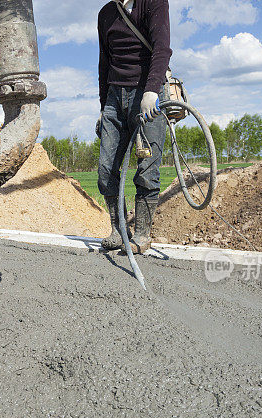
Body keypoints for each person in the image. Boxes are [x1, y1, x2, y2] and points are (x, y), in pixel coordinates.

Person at [97, 0, 172, 253]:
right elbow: (104, 62)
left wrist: (152, 91)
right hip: (114, 98)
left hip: (147, 94)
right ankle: (119, 230)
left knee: (147, 170)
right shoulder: (106, 13)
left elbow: (162, 49)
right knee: (106, 170)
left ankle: (142, 235)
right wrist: (102, 106)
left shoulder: (154, 3)